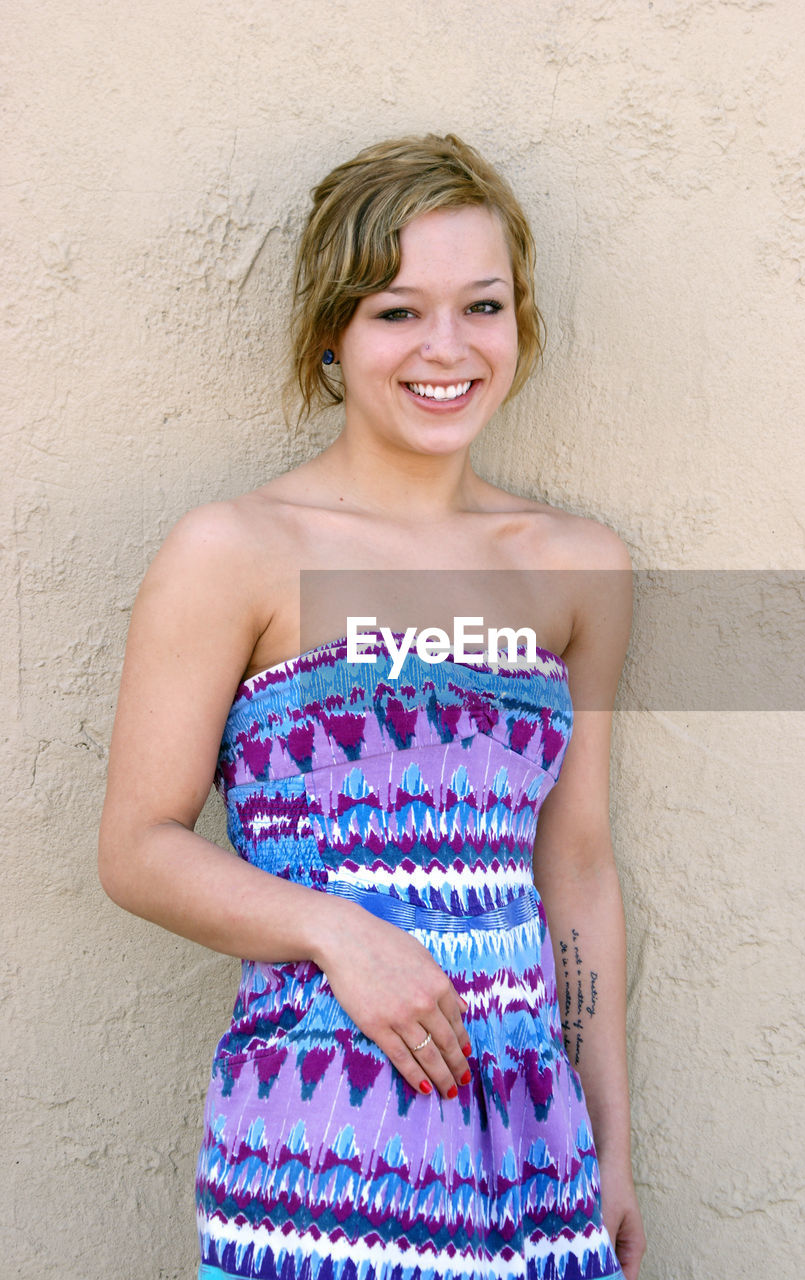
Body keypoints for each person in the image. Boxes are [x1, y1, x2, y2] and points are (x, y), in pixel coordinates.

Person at [98, 133, 646, 1280]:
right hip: (321, 1131)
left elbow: (578, 863)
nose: (445, 349)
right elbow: (137, 848)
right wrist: (337, 931)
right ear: (332, 335)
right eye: (398, 311)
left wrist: (613, 1141)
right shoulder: (238, 549)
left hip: (530, 1141)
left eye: (480, 305)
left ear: (518, 322)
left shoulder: (575, 566)